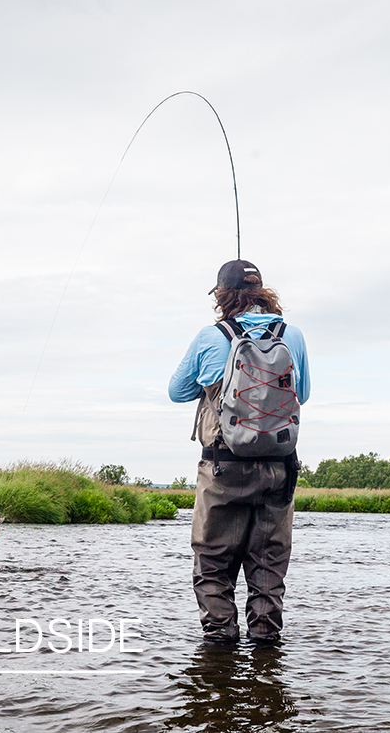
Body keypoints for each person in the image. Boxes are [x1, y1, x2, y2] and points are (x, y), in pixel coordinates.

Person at [168, 259, 310, 644]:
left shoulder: (209, 337)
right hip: (279, 469)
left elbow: (176, 392)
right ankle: (266, 664)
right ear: (264, 293)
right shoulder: (291, 335)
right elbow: (306, 395)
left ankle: (219, 655)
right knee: (268, 568)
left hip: (222, 467)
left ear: (222, 295)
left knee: (213, 564)